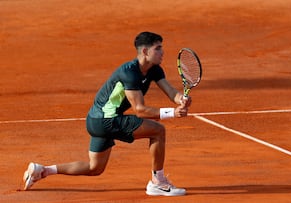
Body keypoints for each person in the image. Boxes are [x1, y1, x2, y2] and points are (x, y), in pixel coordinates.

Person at [23, 31, 191, 196]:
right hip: (106, 121)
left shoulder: (154, 70)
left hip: (95, 120)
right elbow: (139, 110)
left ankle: (43, 171)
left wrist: (181, 99)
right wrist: (172, 113)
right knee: (158, 131)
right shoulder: (129, 72)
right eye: (158, 48)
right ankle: (158, 182)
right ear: (145, 51)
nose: (162, 52)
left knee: (94, 168)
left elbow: (171, 92)